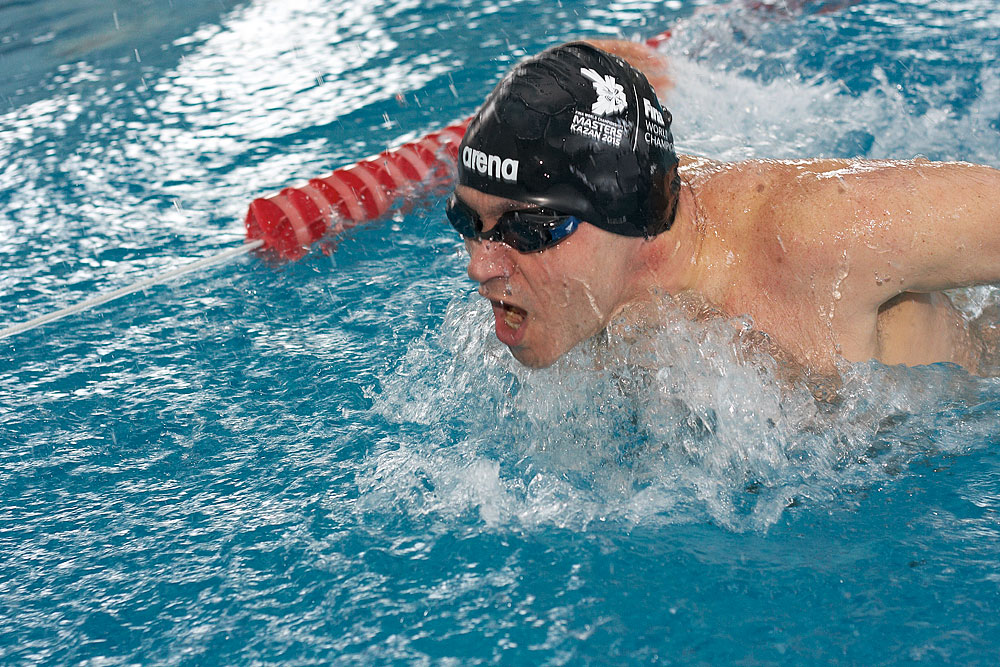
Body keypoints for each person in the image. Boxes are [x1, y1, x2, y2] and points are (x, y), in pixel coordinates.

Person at [446, 40, 1000, 374]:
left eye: (529, 230)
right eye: (468, 222)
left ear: (625, 216)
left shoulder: (818, 236)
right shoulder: (583, 291)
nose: (479, 264)